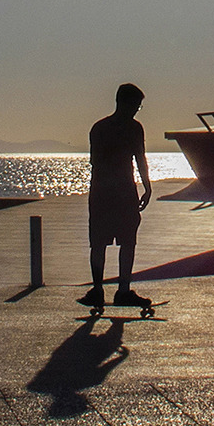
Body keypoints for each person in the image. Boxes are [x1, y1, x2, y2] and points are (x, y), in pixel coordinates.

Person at [80, 83, 152, 311]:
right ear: (124, 103)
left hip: (105, 191)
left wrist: (146, 185)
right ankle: (114, 290)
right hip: (117, 192)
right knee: (120, 242)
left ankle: (106, 290)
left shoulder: (99, 128)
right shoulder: (131, 129)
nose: (136, 110)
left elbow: (98, 162)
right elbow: (139, 158)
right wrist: (146, 186)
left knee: (106, 242)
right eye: (136, 106)